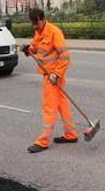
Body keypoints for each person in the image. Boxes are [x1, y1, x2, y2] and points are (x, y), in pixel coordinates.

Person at [21, 8, 77, 153]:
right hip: (50, 75)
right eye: (32, 23)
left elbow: (65, 56)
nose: (34, 26)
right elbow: (36, 48)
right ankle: (71, 134)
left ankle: (43, 141)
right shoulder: (39, 32)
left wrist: (56, 74)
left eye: (36, 23)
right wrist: (28, 49)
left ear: (42, 18)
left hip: (53, 77)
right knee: (62, 105)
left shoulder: (54, 32)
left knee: (49, 107)